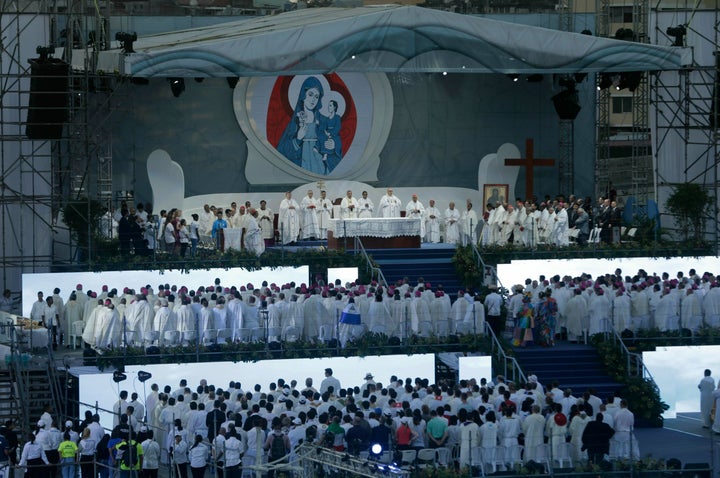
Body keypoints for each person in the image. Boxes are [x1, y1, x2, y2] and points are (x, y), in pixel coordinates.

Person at [277, 76, 328, 174]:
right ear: (303, 95)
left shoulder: (322, 120)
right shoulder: (295, 120)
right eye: (310, 94)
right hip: (301, 162)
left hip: (318, 162)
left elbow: (332, 141)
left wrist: (331, 145)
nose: (313, 99)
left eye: (316, 96)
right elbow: (281, 151)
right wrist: (298, 139)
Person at [318, 99, 342, 173]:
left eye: (330, 106)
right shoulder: (326, 118)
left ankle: (326, 154)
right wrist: (325, 131)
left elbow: (338, 127)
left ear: (334, 107)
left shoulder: (337, 117)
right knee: (322, 137)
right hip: (327, 134)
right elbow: (324, 127)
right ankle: (324, 153)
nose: (329, 107)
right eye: (328, 106)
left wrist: (331, 133)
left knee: (331, 140)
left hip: (334, 135)